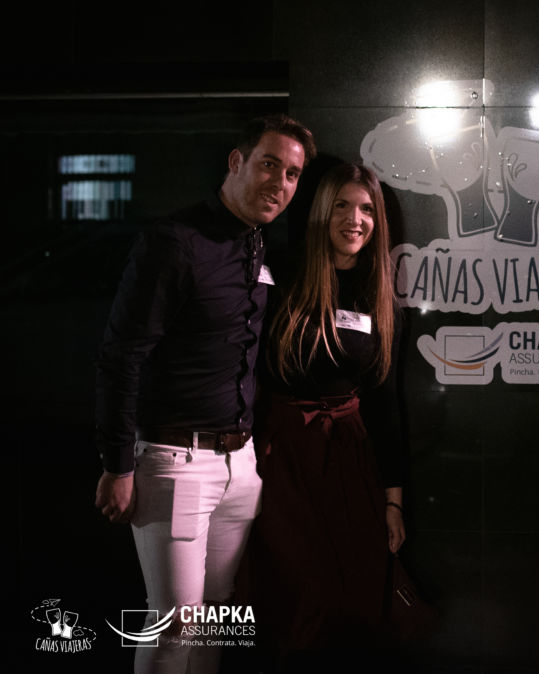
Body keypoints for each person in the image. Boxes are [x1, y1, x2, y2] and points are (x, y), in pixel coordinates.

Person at [93, 113, 316, 673]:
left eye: (291, 174)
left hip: (239, 466)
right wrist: (118, 465)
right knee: (174, 626)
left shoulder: (260, 245)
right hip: (174, 462)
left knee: (215, 620)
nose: (280, 183)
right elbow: (122, 357)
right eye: (270, 164)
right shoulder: (174, 242)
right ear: (236, 162)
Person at [242, 162, 406, 664]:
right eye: (341, 205)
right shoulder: (280, 274)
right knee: (300, 591)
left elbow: (385, 401)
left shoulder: (376, 292)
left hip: (350, 457)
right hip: (285, 455)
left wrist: (393, 501)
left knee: (354, 594)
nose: (354, 219)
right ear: (319, 211)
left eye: (365, 209)